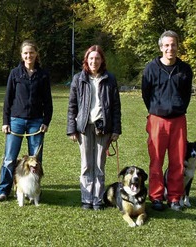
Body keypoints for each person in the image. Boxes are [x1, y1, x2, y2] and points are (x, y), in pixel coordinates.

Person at [142, 30, 193, 211]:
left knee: (178, 160)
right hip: (157, 119)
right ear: (161, 47)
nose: (170, 48)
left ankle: (174, 198)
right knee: (156, 159)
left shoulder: (185, 69)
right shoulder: (151, 68)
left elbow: (186, 95)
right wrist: (157, 109)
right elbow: (146, 94)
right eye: (166, 45)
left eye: (173, 45)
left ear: (177, 46)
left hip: (178, 120)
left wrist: (177, 107)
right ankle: (156, 197)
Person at [0, 40, 53, 201]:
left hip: (36, 121)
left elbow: (48, 102)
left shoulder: (43, 75)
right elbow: (8, 99)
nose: (29, 55)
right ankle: (3, 190)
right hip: (16, 121)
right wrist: (5, 121)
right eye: (25, 53)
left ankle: (33, 191)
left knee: (36, 160)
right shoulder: (15, 73)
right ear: (21, 55)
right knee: (9, 158)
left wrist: (46, 121)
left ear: (36, 54)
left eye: (31, 53)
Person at [67, 45, 121, 210]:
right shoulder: (79, 78)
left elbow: (116, 107)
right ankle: (86, 198)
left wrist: (116, 130)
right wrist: (71, 129)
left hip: (103, 127)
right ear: (86, 60)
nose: (94, 61)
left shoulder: (110, 79)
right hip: (84, 127)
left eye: (97, 58)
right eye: (91, 58)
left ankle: (97, 199)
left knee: (99, 164)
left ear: (102, 60)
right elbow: (72, 106)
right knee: (86, 165)